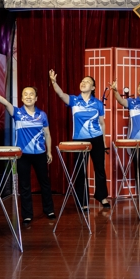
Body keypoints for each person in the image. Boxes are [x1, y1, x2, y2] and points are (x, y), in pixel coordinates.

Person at [0, 83, 55, 223]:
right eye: (25, 94)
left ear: (36, 98)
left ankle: (49, 209)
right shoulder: (17, 112)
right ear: (21, 98)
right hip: (22, 155)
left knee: (45, 183)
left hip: (40, 153)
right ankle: (27, 215)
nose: (28, 96)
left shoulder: (42, 115)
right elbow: (5, 103)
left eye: (31, 94)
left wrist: (50, 152)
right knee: (24, 185)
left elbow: (47, 134)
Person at [49, 70, 110, 209]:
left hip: (96, 138)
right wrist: (54, 82)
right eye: (82, 81)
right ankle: (83, 201)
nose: (83, 83)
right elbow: (60, 94)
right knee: (81, 170)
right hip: (79, 140)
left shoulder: (98, 103)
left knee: (99, 169)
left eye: (87, 82)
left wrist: (103, 141)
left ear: (93, 87)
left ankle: (102, 196)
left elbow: (102, 123)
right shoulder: (74, 100)